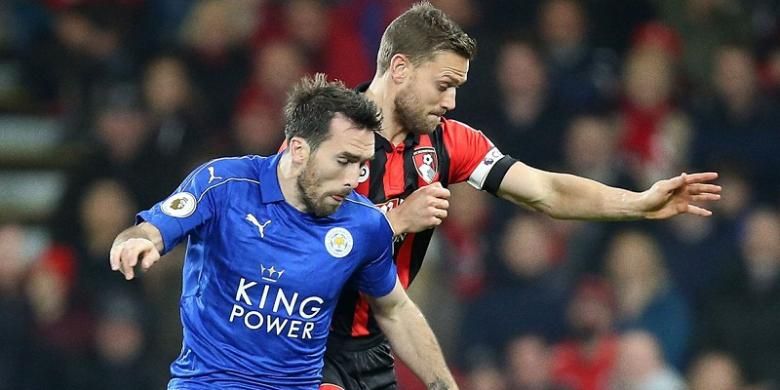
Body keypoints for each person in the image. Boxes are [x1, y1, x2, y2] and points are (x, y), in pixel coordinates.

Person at [316, 2, 722, 390]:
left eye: (456, 87)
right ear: (400, 68)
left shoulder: (449, 143)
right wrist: (396, 222)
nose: (451, 102)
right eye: (443, 85)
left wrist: (636, 202)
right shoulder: (322, 139)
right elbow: (287, 253)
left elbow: (547, 190)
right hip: (303, 337)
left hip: (374, 343)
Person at [108, 74, 457, 390]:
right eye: (343, 160)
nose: (353, 179)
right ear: (299, 149)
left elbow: (394, 309)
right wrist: (136, 241)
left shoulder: (364, 225)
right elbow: (152, 228)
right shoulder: (223, 185)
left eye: (362, 164)